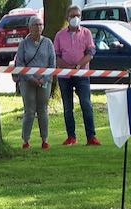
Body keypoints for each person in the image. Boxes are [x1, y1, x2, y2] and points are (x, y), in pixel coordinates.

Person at [54, 5, 100, 146]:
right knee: (68, 107)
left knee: (86, 104)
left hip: (82, 75)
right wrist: (67, 67)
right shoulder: (59, 35)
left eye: (78, 15)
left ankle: (91, 137)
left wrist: (79, 65)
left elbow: (91, 52)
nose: (75, 18)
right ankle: (71, 137)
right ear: (67, 18)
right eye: (72, 15)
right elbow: (56, 55)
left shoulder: (86, 33)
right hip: (64, 76)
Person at [15, 16, 55, 150]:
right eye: (35, 25)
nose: (38, 27)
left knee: (42, 110)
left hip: (44, 81)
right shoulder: (23, 44)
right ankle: (25, 140)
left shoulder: (48, 43)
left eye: (40, 24)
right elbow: (19, 64)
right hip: (27, 82)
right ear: (30, 27)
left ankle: (45, 139)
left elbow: (52, 64)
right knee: (29, 110)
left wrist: (44, 79)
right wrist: (31, 78)